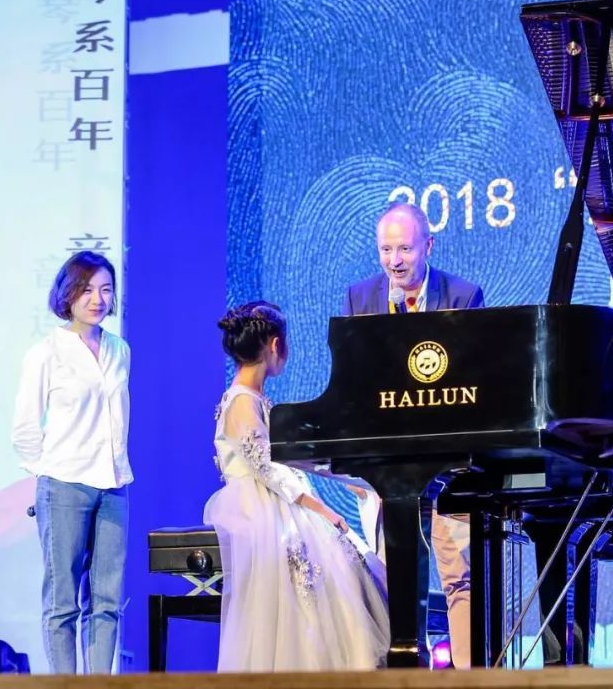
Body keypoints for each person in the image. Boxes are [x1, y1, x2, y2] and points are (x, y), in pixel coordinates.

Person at [204, 301, 390, 671]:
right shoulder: (241, 401)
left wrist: (349, 480)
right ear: (275, 345)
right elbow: (268, 469)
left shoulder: (253, 398)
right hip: (263, 508)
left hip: (276, 499)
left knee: (345, 560)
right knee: (332, 563)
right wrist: (322, 509)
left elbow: (290, 460)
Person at [342, 202, 482, 670]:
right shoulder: (359, 298)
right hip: (391, 470)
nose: (395, 261)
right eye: (386, 250)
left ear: (428, 246)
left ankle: (469, 678)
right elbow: (354, 383)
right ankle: (405, 675)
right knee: (398, 582)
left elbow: (475, 383)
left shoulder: (462, 296)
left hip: (448, 466)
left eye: (404, 249)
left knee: (459, 577)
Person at [11, 251, 131, 674]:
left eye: (105, 290)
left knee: (107, 601)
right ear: (68, 294)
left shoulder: (119, 350)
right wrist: (50, 471)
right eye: (86, 289)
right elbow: (25, 427)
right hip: (64, 485)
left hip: (113, 485)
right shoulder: (46, 352)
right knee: (63, 602)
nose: (97, 299)